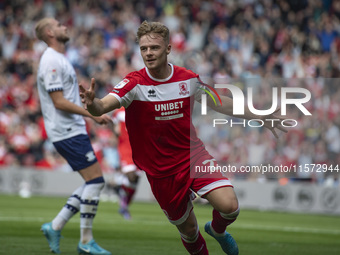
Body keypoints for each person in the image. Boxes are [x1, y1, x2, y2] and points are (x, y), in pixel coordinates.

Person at [79, 21, 287, 255]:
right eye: (144, 48)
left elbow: (219, 102)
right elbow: (102, 106)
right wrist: (93, 104)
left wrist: (261, 115)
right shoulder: (134, 83)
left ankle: (218, 231)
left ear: (168, 49)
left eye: (154, 48)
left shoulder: (187, 79)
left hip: (192, 156)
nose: (148, 53)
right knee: (189, 231)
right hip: (160, 171)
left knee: (230, 206)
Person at [35, 17, 112, 255]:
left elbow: (65, 97)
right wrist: (92, 114)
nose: (65, 26)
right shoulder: (51, 61)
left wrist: (86, 100)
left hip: (71, 129)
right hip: (66, 130)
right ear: (49, 32)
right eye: (59, 25)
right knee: (96, 182)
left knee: (93, 182)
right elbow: (58, 102)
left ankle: (55, 226)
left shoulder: (59, 59)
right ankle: (85, 241)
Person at [111, 107, 140, 220]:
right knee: (131, 176)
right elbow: (114, 126)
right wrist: (115, 133)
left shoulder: (140, 107)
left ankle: (124, 205)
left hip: (139, 149)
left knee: (135, 180)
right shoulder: (119, 111)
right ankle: (120, 188)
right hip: (125, 148)